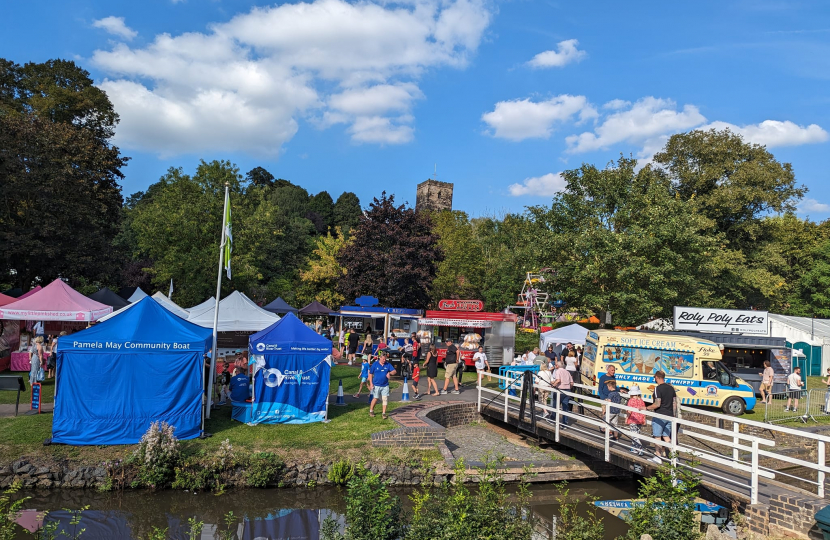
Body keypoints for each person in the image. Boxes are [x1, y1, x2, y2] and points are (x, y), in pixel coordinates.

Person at [646, 370, 677, 463]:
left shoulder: (657, 389)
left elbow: (657, 403)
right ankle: (674, 457)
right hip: (670, 416)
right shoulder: (671, 388)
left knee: (657, 436)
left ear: (656, 377)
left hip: (660, 415)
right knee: (667, 437)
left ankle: (658, 456)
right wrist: (674, 415)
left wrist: (646, 408)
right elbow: (674, 403)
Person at [368, 351, 396, 419]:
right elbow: (370, 374)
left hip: (385, 385)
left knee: (385, 399)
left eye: (385, 359)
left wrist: (390, 373)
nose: (384, 360)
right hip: (376, 384)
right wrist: (371, 383)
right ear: (380, 358)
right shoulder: (375, 364)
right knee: (376, 398)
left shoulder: (388, 364)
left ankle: (384, 413)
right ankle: (371, 410)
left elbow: (394, 371)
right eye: (383, 359)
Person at [551, 360, 574, 424]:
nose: (555, 366)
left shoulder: (558, 371)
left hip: (560, 390)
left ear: (557, 366)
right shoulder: (567, 372)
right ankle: (565, 422)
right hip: (567, 390)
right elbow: (572, 383)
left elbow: (558, 380)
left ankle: (552, 419)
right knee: (565, 407)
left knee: (555, 405)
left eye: (555, 365)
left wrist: (553, 385)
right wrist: (569, 388)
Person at [626, 385, 647, 456]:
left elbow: (629, 411)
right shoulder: (641, 400)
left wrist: (627, 418)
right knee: (637, 433)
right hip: (640, 419)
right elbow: (644, 410)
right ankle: (635, 448)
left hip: (633, 419)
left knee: (633, 434)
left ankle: (640, 447)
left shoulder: (631, 401)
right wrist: (644, 419)